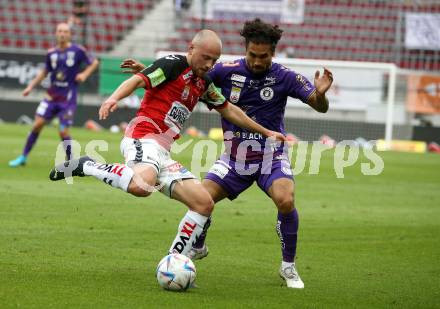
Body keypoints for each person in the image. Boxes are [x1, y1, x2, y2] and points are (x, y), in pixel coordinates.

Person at [121, 19, 333, 288]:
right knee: (201, 199)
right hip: (234, 159)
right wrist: (151, 74)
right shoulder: (224, 70)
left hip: (270, 156)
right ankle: (196, 247)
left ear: (273, 53)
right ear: (245, 49)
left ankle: (288, 267)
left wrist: (322, 95)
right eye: (252, 55)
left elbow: (319, 106)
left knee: (285, 199)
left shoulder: (285, 76)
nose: (257, 62)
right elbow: (190, 77)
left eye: (263, 56)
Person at [48, 30, 286, 258]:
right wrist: (113, 98)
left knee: (203, 203)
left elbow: (230, 110)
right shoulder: (173, 64)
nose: (209, 65)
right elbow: (138, 80)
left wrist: (266, 131)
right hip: (142, 137)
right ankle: (87, 165)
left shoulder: (202, 83)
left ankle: (175, 259)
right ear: (191, 48)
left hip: (163, 152)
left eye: (214, 61)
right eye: (205, 58)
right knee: (141, 186)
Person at [9, 23, 99, 167]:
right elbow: (45, 71)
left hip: (67, 99)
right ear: (56, 34)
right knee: (37, 124)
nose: (62, 34)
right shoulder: (51, 53)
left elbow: (94, 62)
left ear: (70, 34)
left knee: (63, 131)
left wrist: (84, 74)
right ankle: (23, 157)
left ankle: (72, 163)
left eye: (65, 31)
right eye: (60, 31)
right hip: (51, 97)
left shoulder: (78, 50)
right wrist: (30, 87)